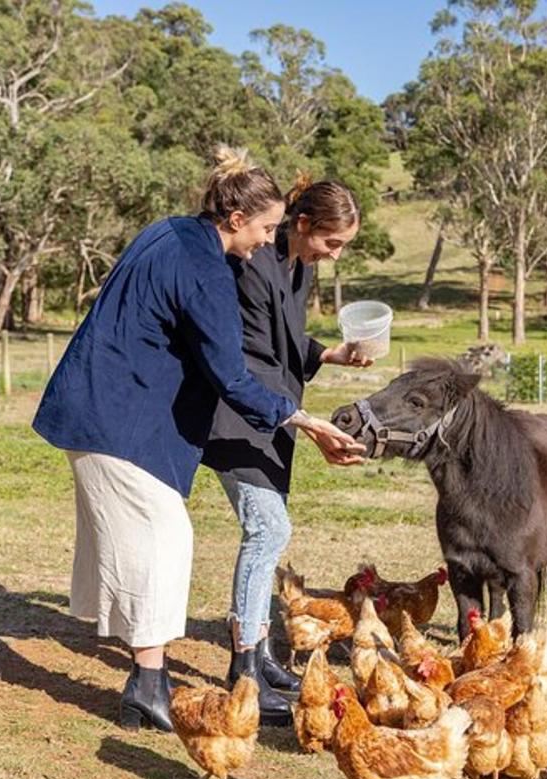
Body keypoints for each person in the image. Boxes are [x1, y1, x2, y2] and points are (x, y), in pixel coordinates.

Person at [31, 147, 363, 734]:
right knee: (166, 538)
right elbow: (232, 373)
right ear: (236, 220)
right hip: (116, 414)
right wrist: (303, 421)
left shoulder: (173, 232)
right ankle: (153, 683)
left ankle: (149, 684)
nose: (268, 238)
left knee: (146, 539)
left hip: (110, 407)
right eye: (264, 228)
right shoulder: (209, 268)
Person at [202, 176, 369, 725]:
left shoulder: (296, 266)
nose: (334, 254)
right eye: (333, 242)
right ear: (303, 225)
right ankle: (245, 666)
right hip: (240, 416)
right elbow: (245, 352)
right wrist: (306, 420)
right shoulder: (252, 263)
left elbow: (286, 343)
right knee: (268, 529)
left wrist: (333, 354)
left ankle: (261, 655)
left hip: (276, 416)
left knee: (271, 531)